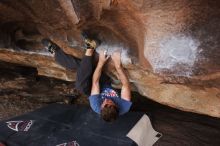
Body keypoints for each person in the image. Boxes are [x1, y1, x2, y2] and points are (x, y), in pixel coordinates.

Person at [89, 51, 132, 122]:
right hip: (114, 86)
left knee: (81, 83)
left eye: (105, 104)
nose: (106, 100)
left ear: (101, 108)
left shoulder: (95, 105)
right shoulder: (124, 106)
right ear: (117, 106)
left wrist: (101, 62)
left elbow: (95, 82)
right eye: (110, 102)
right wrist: (118, 66)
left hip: (100, 85)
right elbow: (126, 84)